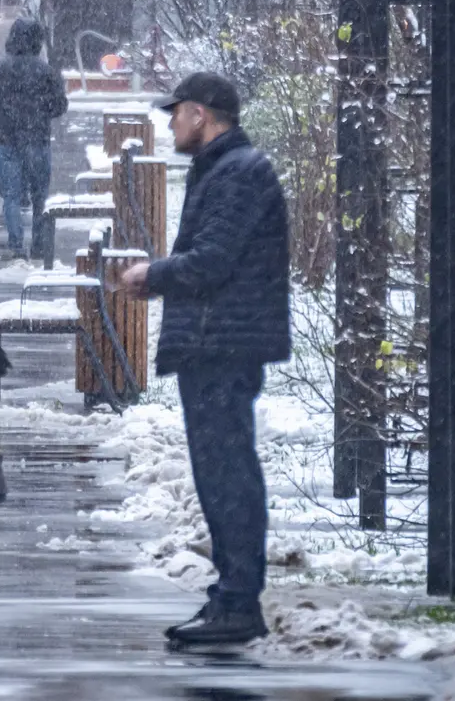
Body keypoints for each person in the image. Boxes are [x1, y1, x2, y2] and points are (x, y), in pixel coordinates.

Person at [119, 72, 290, 646]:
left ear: (201, 114)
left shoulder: (238, 173)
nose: (170, 123)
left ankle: (238, 602)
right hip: (215, 344)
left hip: (223, 345)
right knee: (220, 472)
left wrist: (154, 275)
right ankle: (231, 596)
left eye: (176, 113)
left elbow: (213, 259)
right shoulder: (224, 169)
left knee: (227, 474)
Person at [0, 17, 68, 259]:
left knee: (11, 197)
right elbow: (59, 106)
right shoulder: (47, 73)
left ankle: (16, 245)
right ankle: (38, 244)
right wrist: (39, 111)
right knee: (39, 197)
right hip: (37, 139)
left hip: (6, 141)